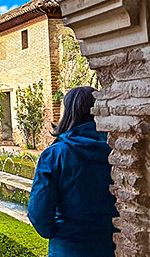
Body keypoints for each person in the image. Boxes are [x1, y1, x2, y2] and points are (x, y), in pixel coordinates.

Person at [28, 86, 118, 257]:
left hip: (68, 247)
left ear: (68, 112)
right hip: (109, 245)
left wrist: (58, 232)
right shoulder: (116, 151)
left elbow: (38, 213)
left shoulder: (56, 154)